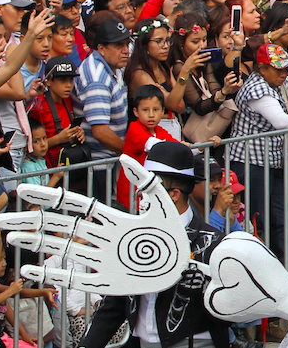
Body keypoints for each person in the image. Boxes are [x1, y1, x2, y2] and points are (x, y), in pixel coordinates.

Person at [78, 141, 233, 348]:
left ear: (172, 195)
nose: (139, 198)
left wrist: (203, 290)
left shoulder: (214, 243)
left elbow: (231, 313)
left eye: (146, 191)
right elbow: (114, 304)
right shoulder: (132, 238)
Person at [229, 44, 288, 255]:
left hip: (273, 161)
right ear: (262, 68)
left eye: (286, 69)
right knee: (259, 219)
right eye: (278, 69)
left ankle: (284, 268)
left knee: (283, 218)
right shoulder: (257, 88)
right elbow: (280, 120)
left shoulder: (280, 84)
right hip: (250, 163)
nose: (284, 74)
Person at [73, 17, 132, 202]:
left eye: (126, 44)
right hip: (99, 164)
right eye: (118, 45)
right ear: (101, 48)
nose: (125, 51)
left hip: (112, 159)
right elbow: (100, 131)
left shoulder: (113, 66)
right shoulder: (97, 78)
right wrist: (130, 153)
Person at [27, 56, 84, 169]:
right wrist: (59, 139)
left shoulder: (67, 100)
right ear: (48, 81)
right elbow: (32, 146)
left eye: (71, 80)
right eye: (62, 80)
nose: (68, 85)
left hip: (67, 166)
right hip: (48, 170)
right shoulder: (39, 107)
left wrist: (78, 133)